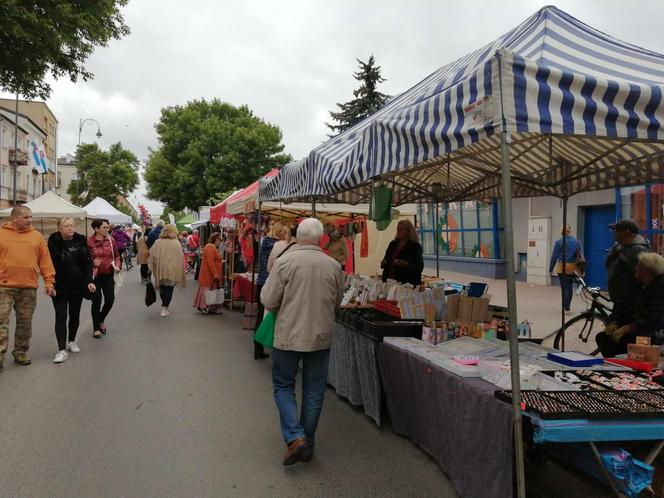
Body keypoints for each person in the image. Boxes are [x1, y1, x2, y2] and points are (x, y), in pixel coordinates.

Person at [261, 218, 345, 465]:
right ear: (321, 238)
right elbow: (337, 300)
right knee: (314, 389)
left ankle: (296, 437)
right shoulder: (332, 266)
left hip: (288, 335)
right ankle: (305, 442)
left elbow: (268, 299)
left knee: (283, 386)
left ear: (298, 235)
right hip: (320, 336)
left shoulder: (285, 262)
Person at [0, 206, 56, 369]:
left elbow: (45, 262)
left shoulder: (36, 237)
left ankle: (20, 351)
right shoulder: (2, 234)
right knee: (1, 322)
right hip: (3, 287)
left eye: (30, 217)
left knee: (25, 322)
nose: (30, 220)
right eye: (25, 217)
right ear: (14, 218)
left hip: (28, 287)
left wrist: (49, 282)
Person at [596, 252, 664, 357]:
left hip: (654, 332)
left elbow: (654, 319)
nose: (635, 268)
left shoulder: (660, 288)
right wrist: (614, 322)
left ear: (647, 270)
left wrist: (630, 327)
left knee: (627, 340)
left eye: (639, 266)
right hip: (639, 327)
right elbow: (622, 305)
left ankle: (626, 364)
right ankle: (616, 363)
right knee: (603, 337)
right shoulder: (638, 285)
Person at [47, 217, 96, 363]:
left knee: (74, 314)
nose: (70, 228)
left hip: (77, 285)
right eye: (67, 226)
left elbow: (87, 263)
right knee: (61, 316)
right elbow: (47, 264)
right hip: (59, 285)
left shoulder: (81, 241)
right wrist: (49, 283)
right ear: (59, 228)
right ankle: (61, 350)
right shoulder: (53, 243)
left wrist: (89, 281)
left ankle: (72, 341)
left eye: (72, 226)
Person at [605, 219, 651, 327]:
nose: (614, 233)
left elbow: (647, 279)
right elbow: (608, 265)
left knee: (613, 337)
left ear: (626, 232)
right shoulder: (621, 247)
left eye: (616, 230)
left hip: (631, 306)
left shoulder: (639, 250)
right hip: (621, 303)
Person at [254, 222, 285, 360]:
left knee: (260, 315)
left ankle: (258, 348)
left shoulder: (264, 242)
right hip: (269, 282)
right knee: (268, 316)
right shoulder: (276, 244)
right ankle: (263, 346)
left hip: (261, 281)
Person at [88, 218, 121, 338]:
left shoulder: (111, 240)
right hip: (95, 276)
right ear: (96, 229)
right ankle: (96, 328)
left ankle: (100, 319)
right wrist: (92, 262)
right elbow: (84, 259)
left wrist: (117, 266)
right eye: (104, 228)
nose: (107, 229)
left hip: (108, 274)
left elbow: (117, 256)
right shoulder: (89, 242)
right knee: (96, 301)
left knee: (110, 300)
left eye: (108, 227)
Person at [148, 224, 186, 317]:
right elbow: (180, 257)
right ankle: (164, 308)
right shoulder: (176, 243)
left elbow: (151, 254)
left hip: (160, 269)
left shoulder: (158, 242)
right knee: (169, 289)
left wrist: (152, 266)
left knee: (162, 288)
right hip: (172, 269)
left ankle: (164, 306)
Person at [548, 225, 584, 314]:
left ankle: (566, 308)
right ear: (569, 231)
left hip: (562, 268)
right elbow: (581, 256)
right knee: (570, 287)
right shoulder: (577, 241)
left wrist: (550, 269)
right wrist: (582, 269)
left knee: (565, 288)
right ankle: (567, 307)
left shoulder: (559, 242)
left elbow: (554, 257)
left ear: (561, 231)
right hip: (573, 268)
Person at [380, 219, 424, 287]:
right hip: (389, 281)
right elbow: (386, 258)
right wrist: (384, 262)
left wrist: (405, 264)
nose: (398, 231)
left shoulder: (415, 247)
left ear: (408, 231)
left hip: (406, 283)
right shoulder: (393, 244)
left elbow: (419, 267)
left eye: (401, 229)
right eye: (397, 229)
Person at [193, 232, 223, 314]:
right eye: (219, 239)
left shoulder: (210, 247)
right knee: (208, 291)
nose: (220, 241)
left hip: (209, 275)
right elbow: (211, 263)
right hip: (209, 275)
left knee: (210, 291)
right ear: (215, 239)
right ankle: (203, 306)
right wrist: (215, 274)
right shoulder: (210, 247)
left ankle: (209, 307)